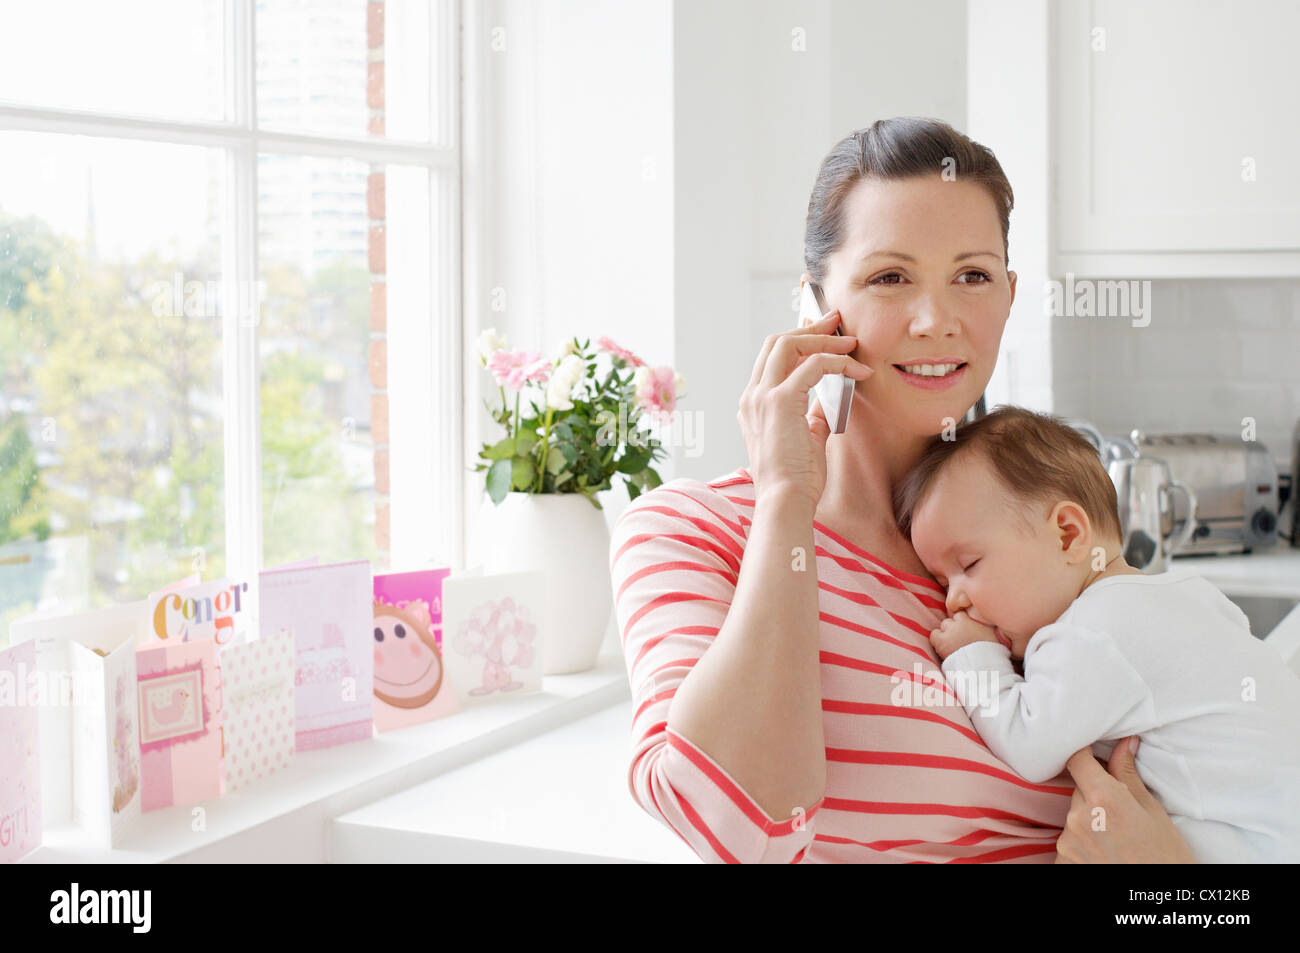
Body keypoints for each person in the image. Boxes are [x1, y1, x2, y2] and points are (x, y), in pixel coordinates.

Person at [608, 117, 1197, 863]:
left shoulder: (1047, 523)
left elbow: (1202, 783)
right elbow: (740, 827)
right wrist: (786, 493)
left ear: (1009, 297)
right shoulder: (694, 531)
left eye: (973, 276)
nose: (937, 319)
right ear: (815, 303)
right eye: (890, 277)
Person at [897, 404, 1300, 862]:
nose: (954, 601)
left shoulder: (1092, 631)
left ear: (1068, 535)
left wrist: (975, 654)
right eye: (943, 582)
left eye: (969, 566)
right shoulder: (1178, 593)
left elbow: (1030, 746)